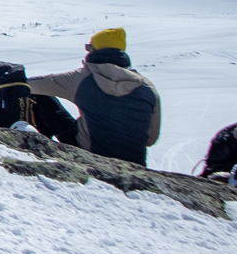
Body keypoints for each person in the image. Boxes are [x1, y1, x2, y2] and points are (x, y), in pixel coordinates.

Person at [27, 28, 162, 165]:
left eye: (89, 47)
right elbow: (150, 139)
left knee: (42, 97)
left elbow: (32, 85)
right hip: (135, 164)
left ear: (95, 50)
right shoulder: (147, 88)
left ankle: (35, 148)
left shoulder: (83, 78)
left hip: (89, 155)